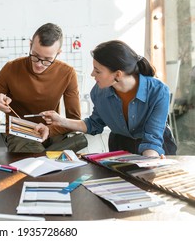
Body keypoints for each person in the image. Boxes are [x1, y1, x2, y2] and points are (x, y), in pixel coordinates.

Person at [40, 40, 176, 157]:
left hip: (156, 149)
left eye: (97, 71)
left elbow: (152, 138)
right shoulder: (98, 93)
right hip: (120, 146)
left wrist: (150, 163)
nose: (92, 74)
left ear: (117, 74)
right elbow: (93, 124)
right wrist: (61, 121)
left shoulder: (158, 91)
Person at [0, 23, 81, 152]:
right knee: (36, 159)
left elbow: (74, 119)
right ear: (30, 45)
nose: (39, 64)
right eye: (35, 55)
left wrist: (50, 130)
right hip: (19, 132)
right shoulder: (11, 68)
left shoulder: (67, 73)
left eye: (47, 60)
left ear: (58, 53)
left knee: (72, 150)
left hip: (53, 132)